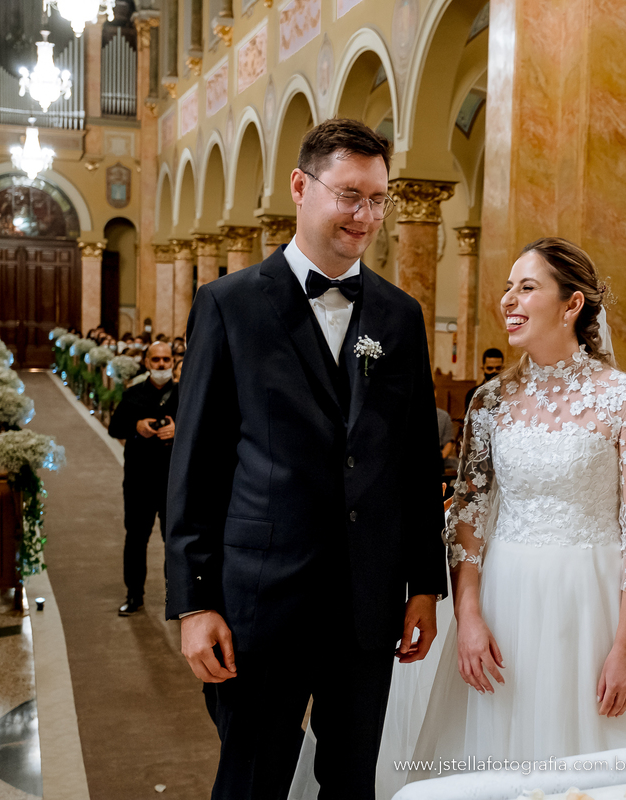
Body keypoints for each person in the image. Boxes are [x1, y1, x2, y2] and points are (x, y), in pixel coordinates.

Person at [339, 237, 626, 797]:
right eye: (509, 286)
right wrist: (467, 616)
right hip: (501, 605)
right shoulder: (490, 402)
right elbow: (467, 516)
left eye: (527, 287)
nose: (508, 298)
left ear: (571, 304)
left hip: (592, 610)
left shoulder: (625, 400)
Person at [166, 118, 445, 800]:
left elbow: (413, 462)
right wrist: (193, 603)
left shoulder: (400, 316)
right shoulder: (229, 305)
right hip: (262, 597)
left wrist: (425, 586)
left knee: (351, 781)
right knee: (251, 777)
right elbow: (195, 464)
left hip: (367, 601)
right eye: (351, 195)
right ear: (300, 185)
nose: (367, 215)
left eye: (379, 198)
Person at [109, 342, 179, 616]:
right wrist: (136, 427)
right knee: (136, 539)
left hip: (173, 482)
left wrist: (178, 429)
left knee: (173, 541)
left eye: (166, 359)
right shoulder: (133, 395)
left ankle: (175, 597)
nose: (162, 364)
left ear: (172, 361)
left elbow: (206, 431)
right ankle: (134, 594)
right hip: (139, 481)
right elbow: (115, 428)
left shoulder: (185, 394)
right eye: (156, 359)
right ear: (147, 361)